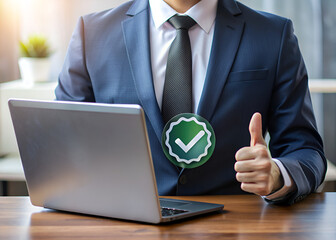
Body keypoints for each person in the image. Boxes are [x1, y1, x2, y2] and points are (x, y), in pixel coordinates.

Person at [55, 0, 327, 204]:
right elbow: (61, 146)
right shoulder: (91, 33)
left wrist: (277, 174)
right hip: (123, 223)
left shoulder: (272, 36)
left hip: (234, 225)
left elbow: (307, 151)